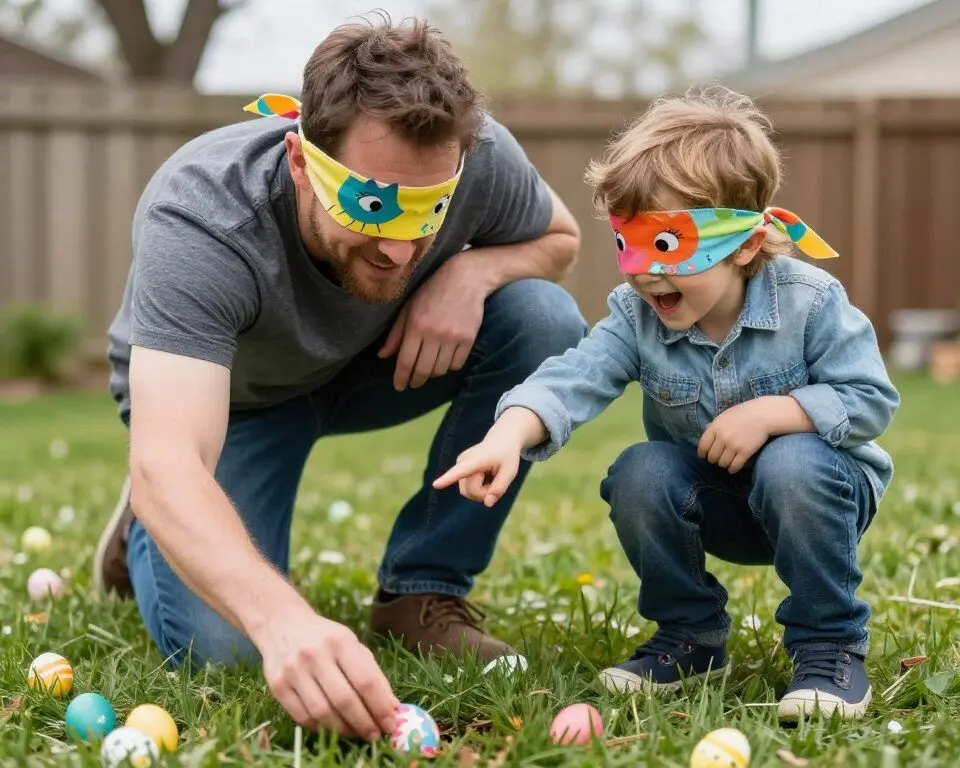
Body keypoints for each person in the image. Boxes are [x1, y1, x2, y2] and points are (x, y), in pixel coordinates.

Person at [94, 15, 586, 741]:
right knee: (228, 651)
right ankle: (154, 515)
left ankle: (421, 593)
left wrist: (475, 270)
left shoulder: (475, 155)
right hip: (239, 403)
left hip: (374, 363)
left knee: (544, 320)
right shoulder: (203, 215)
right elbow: (169, 457)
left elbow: (561, 237)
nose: (399, 246)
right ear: (300, 162)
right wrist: (284, 621)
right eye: (373, 206)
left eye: (430, 210)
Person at [434, 86, 900, 721]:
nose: (643, 273)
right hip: (713, 501)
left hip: (822, 495)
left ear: (741, 245)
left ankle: (829, 649)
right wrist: (507, 436)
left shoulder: (810, 301)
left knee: (793, 461)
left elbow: (870, 399)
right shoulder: (638, 316)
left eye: (667, 247)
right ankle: (690, 639)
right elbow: (571, 378)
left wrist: (771, 414)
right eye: (630, 243)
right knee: (640, 470)